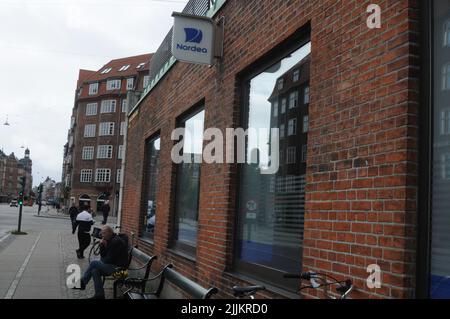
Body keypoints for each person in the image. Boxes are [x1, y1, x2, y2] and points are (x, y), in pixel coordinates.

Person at [73, 226, 129, 299]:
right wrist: (102, 245)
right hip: (113, 266)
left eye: (104, 233)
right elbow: (103, 256)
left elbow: (107, 260)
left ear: (110, 233)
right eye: (102, 233)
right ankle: (99, 295)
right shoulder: (109, 240)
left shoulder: (116, 242)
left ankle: (83, 282)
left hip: (121, 271)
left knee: (94, 263)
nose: (102, 235)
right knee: (94, 271)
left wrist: (104, 251)